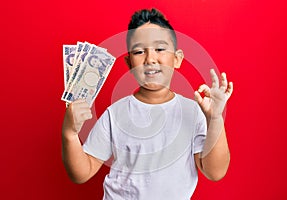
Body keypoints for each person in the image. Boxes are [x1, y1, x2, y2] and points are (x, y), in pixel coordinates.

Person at [62, 8, 233, 200]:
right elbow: (82, 172)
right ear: (129, 63)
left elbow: (214, 172)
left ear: (177, 59)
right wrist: (70, 133)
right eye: (139, 51)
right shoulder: (115, 113)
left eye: (160, 49)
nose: (150, 59)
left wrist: (215, 118)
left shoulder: (192, 112)